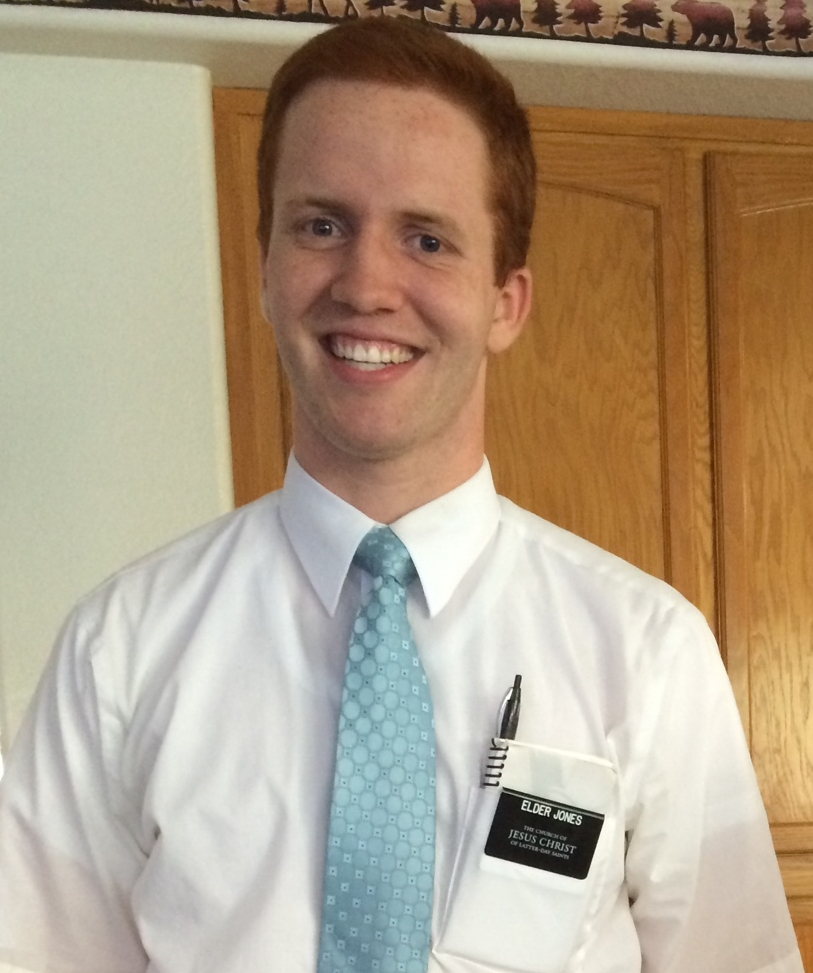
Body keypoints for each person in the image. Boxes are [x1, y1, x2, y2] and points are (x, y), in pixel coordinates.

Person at [0, 16, 802, 973]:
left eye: (426, 239)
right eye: (322, 226)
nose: (367, 284)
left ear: (505, 302)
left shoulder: (646, 651)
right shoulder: (120, 651)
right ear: (265, 267)